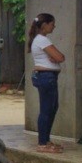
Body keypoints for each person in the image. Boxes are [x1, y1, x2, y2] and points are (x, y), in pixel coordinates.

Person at [27, 12, 66, 154]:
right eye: (52, 24)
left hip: (46, 77)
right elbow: (60, 57)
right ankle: (42, 143)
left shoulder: (38, 40)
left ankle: (46, 140)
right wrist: (57, 58)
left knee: (51, 108)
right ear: (44, 25)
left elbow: (58, 58)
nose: (54, 26)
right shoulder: (42, 40)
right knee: (47, 110)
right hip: (46, 77)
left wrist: (56, 58)